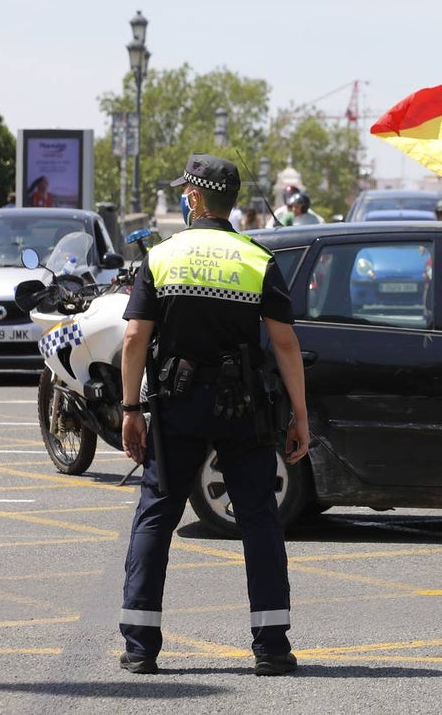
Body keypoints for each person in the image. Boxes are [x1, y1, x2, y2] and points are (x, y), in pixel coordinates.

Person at [118, 153, 310, 677]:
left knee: (157, 514)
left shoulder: (161, 258)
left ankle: (140, 647)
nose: (182, 197)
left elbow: (135, 335)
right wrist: (300, 416)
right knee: (259, 520)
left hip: (177, 405)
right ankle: (271, 647)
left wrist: (130, 408)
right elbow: (286, 342)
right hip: (242, 406)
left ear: (196, 199)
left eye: (186, 191)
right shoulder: (254, 258)